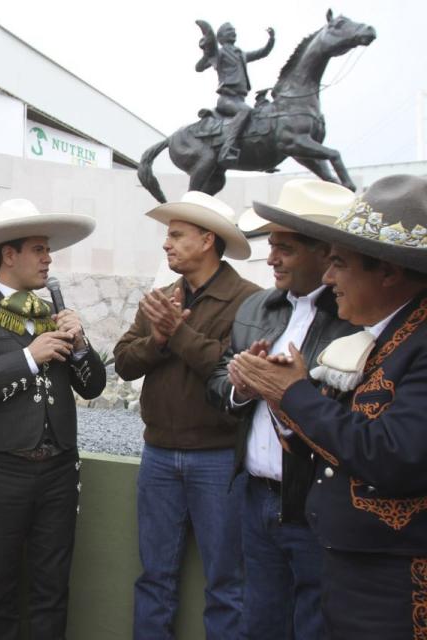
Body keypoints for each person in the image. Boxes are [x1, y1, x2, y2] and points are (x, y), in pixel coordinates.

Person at [229, 174, 427, 638]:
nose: (329, 277)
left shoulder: (418, 342)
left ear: (389, 271)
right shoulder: (393, 338)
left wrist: (293, 393)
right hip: (361, 570)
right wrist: (281, 397)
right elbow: (347, 439)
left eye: (338, 263)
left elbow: (394, 455)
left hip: (396, 584)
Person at [0, 198, 107, 640]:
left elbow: (92, 387)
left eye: (48, 250)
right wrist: (28, 358)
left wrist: (82, 341)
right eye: (39, 249)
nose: (48, 258)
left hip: (59, 469)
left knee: (53, 587)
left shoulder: (53, 313)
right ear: (8, 255)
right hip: (2, 472)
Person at [208, 180, 360, 639]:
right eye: (271, 246)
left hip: (316, 503)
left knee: (316, 624)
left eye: (285, 249)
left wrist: (289, 388)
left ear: (325, 254)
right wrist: (242, 385)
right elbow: (218, 382)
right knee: (261, 621)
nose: (270, 258)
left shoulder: (356, 315)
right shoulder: (257, 306)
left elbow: (356, 415)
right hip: (255, 498)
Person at [113, 191, 259, 640]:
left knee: (226, 584)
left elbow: (235, 371)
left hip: (218, 459)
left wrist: (177, 333)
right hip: (157, 454)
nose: (166, 244)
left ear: (207, 240)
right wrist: (157, 339)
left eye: (176, 235)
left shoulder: (249, 301)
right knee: (154, 578)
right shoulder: (160, 298)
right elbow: (122, 361)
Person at [195, 21, 275, 166]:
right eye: (229, 31)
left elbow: (262, 53)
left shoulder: (241, 54)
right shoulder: (219, 53)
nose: (234, 33)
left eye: (234, 30)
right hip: (226, 99)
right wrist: (206, 50)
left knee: (257, 115)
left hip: (240, 98)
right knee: (245, 111)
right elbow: (199, 67)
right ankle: (227, 148)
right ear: (221, 36)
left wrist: (271, 40)